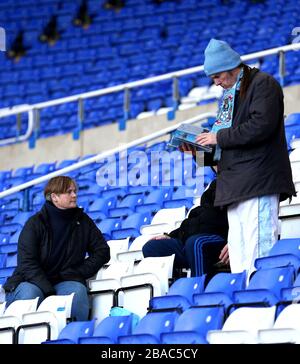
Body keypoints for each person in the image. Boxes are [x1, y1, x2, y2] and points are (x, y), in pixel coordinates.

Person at [192, 38, 296, 279]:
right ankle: (245, 304)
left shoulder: (263, 84)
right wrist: (198, 153)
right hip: (234, 186)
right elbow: (224, 146)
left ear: (230, 66)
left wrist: (218, 139)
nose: (216, 83)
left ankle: (264, 303)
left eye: (217, 77)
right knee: (239, 258)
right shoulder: (229, 97)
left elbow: (261, 126)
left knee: (259, 252)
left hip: (257, 181)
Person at [4, 176, 110, 321]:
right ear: (55, 197)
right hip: (31, 281)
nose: (74, 195)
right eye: (69, 192)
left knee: (77, 292)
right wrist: (48, 290)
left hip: (63, 282)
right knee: (31, 294)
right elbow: (27, 264)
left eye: (75, 191)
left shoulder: (83, 221)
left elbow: (102, 251)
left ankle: (74, 335)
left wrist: (78, 272)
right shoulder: (35, 223)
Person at [142, 179, 229, 279]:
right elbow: (194, 222)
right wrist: (170, 236)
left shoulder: (235, 183)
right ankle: (176, 289)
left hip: (218, 239)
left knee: (195, 243)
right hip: (192, 240)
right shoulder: (213, 187)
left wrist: (232, 241)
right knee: (151, 247)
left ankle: (197, 289)